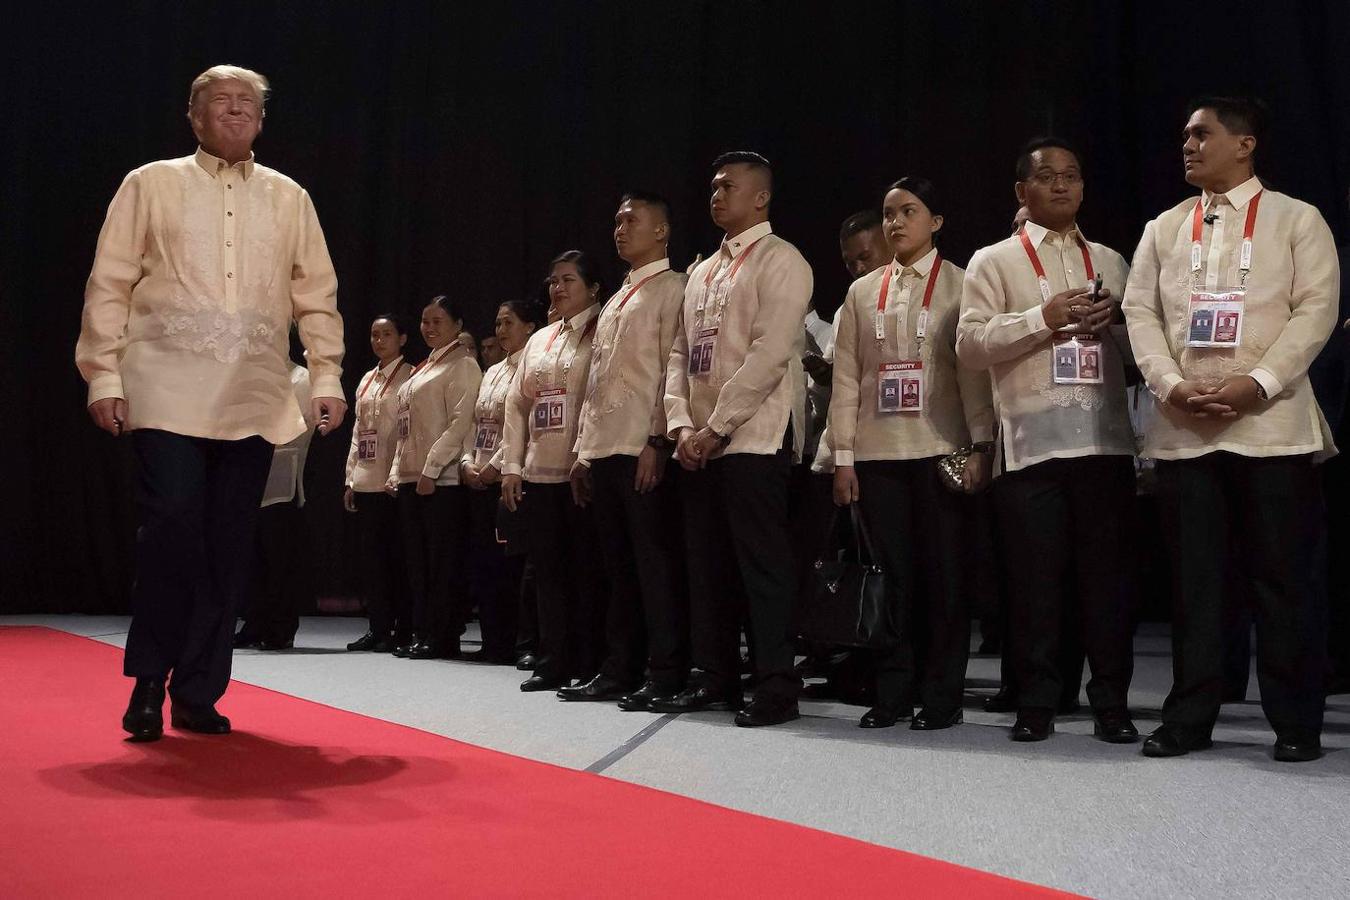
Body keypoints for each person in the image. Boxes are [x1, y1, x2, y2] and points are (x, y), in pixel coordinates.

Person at [76, 65, 346, 741]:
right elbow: (108, 282)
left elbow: (316, 294)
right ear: (193, 115)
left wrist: (327, 377)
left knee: (228, 545)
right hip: (165, 385)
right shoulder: (151, 182)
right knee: (171, 525)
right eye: (221, 102)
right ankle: (148, 678)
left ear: (261, 120)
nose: (235, 111)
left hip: (253, 393)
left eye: (248, 105)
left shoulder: (290, 198)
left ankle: (197, 690)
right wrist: (103, 375)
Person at [1122, 97, 1340, 762]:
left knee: (1283, 581)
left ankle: (1297, 722)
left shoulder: (1297, 219)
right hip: (1186, 428)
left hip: (1271, 427)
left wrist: (1258, 384)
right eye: (1185, 135)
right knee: (1196, 585)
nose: (1187, 144)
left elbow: (1317, 309)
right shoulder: (1164, 227)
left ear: (1244, 144)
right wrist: (1170, 385)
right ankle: (1190, 717)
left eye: (1201, 133)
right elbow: (1139, 312)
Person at [957, 137, 1139, 744]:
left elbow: (1145, 352)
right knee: (1035, 584)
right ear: (1021, 192)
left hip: (1105, 442)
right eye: (1047, 177)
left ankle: (1112, 702)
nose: (1062, 186)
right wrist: (1045, 317)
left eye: (1072, 176)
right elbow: (970, 345)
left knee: (1107, 585)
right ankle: (1036, 701)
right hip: (1031, 444)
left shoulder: (1113, 262)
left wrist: (1114, 323)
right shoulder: (994, 260)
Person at [656, 151, 814, 727]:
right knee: (707, 567)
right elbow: (679, 353)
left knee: (761, 568)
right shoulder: (701, 270)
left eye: (728, 186)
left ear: (761, 197)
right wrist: (680, 426)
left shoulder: (782, 259)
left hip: (753, 437)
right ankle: (716, 678)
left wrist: (717, 426)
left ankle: (776, 686)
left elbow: (771, 353)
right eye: (712, 187)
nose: (716, 195)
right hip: (699, 442)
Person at [830, 177, 995, 729]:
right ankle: (892, 693)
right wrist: (844, 456)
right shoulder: (861, 291)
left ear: (937, 221)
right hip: (878, 454)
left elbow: (973, 374)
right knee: (890, 578)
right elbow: (848, 379)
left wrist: (981, 444)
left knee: (943, 579)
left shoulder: (962, 283)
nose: (896, 223)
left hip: (941, 448)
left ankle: (942, 696)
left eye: (908, 211)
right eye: (889, 214)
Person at [561, 193, 689, 708]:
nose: (620, 229)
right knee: (617, 570)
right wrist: (583, 452)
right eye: (616, 221)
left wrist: (658, 441)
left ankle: (666, 671)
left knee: (655, 569)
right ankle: (620, 668)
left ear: (662, 231)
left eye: (632, 221)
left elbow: (670, 370)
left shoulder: (674, 288)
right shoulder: (614, 298)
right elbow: (596, 382)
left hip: (643, 448)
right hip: (605, 447)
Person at [501, 252, 607, 691]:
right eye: (553, 281)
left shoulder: (605, 329)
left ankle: (590, 660)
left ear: (593, 288)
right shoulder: (541, 338)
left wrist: (585, 453)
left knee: (587, 571)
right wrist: (511, 466)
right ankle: (553, 660)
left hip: (583, 470)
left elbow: (599, 398)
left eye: (568, 280)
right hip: (540, 473)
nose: (558, 288)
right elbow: (517, 403)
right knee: (547, 573)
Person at [387, 296, 482, 659]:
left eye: (438, 321)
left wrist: (430, 469)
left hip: (440, 481)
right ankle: (422, 630)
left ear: (457, 325)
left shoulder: (463, 365)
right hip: (413, 477)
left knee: (442, 563)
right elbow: (405, 427)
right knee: (418, 563)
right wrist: (398, 470)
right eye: (425, 321)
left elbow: (459, 424)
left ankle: (441, 635)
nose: (429, 327)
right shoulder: (421, 368)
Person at [460, 300, 542, 663]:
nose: (501, 329)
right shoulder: (492, 371)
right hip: (478, 477)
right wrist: (466, 462)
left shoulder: (531, 364)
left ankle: (519, 642)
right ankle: (492, 640)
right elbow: (474, 423)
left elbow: (520, 424)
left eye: (509, 322)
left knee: (514, 567)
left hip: (509, 476)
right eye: (497, 323)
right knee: (485, 564)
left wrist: (495, 466)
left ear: (529, 327)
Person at [236, 343, 316, 650]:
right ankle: (255, 622)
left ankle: (281, 627)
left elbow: (303, 427)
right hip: (249, 476)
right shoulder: (253, 379)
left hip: (282, 471)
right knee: (253, 558)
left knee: (279, 557)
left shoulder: (301, 378)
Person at [344, 315, 412, 652]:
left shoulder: (409, 376)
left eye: (387, 334)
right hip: (367, 478)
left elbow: (405, 433)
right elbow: (359, 432)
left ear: (402, 338)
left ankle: (402, 627)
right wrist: (350, 478)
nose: (380, 340)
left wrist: (396, 473)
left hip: (392, 481)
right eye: (374, 335)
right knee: (371, 561)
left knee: (395, 559)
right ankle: (378, 626)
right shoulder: (367, 379)